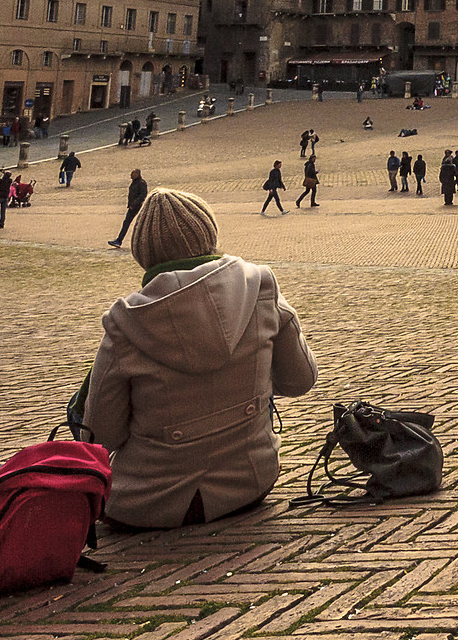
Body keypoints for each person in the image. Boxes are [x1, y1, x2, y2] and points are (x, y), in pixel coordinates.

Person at [85, 190, 317, 528]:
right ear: (208, 233)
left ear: (144, 253)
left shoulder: (125, 323)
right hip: (250, 482)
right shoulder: (260, 286)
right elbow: (301, 380)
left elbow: (100, 434)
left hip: (148, 501)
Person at [111, 167, 149, 248]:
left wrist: (134, 204)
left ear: (137, 174)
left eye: (133, 173)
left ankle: (120, 240)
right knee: (127, 223)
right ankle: (119, 240)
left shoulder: (141, 183)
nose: (131, 175)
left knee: (136, 224)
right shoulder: (135, 182)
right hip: (133, 206)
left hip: (137, 207)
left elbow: (142, 195)